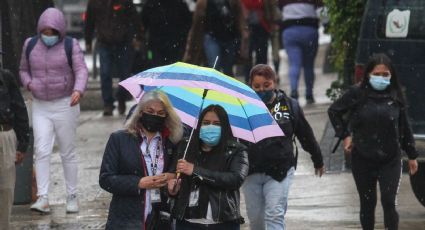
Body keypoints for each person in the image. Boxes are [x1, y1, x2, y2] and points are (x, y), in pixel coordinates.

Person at [328, 53, 419, 230]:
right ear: (368, 74)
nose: (381, 78)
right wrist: (345, 135)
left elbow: (404, 127)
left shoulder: (396, 96)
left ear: (391, 75)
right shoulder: (357, 93)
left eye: (385, 74)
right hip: (362, 157)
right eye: (377, 74)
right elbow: (334, 111)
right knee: (367, 204)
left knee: (389, 201)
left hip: (390, 158)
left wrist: (412, 155)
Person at [19, 8, 88, 213]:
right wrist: (29, 83)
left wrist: (78, 90)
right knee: (41, 150)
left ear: (60, 31)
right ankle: (43, 197)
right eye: (45, 32)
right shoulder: (30, 45)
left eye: (53, 32)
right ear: (40, 29)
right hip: (41, 104)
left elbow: (81, 69)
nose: (48, 36)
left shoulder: (70, 45)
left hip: (65, 103)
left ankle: (72, 196)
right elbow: (23, 69)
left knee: (67, 151)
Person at [243, 64, 324, 230]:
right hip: (251, 171)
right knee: (256, 221)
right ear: (250, 86)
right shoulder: (243, 108)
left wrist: (318, 159)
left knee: (274, 214)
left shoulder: (289, 106)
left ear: (275, 82)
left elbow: (305, 134)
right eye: (256, 86)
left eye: (267, 85)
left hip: (280, 170)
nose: (262, 90)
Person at [99, 90, 184, 229]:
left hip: (160, 220)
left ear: (167, 116)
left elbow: (177, 177)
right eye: (150, 110)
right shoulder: (119, 139)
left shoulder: (172, 143)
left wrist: (172, 183)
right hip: (126, 220)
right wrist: (138, 183)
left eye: (160, 113)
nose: (155, 115)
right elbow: (106, 179)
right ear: (140, 112)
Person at [168, 104, 249, 230]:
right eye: (206, 123)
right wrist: (173, 189)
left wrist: (195, 170)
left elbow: (235, 179)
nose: (210, 126)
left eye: (217, 123)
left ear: (225, 127)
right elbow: (174, 176)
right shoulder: (186, 146)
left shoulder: (236, 150)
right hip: (188, 222)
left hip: (223, 223)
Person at [85, 0, 142, 116]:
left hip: (123, 41)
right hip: (104, 42)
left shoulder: (124, 2)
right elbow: (89, 21)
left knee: (124, 73)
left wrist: (138, 37)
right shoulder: (94, 3)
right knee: (105, 73)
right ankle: (108, 103)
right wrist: (88, 41)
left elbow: (134, 18)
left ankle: (121, 98)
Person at [0, 53, 30, 230]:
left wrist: (23, 144)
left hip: (5, 135)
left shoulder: (6, 77)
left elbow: (20, 110)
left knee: (5, 190)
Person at [183, 0, 249, 76]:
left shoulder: (232, 2)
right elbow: (196, 26)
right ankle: (213, 85)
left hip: (229, 37)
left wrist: (244, 34)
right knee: (214, 65)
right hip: (212, 37)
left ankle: (224, 86)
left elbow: (240, 17)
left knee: (227, 67)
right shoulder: (203, 3)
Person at [279, 0, 323, 103]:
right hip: (310, 30)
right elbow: (322, 9)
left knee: (294, 64)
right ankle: (309, 94)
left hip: (290, 31)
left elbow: (278, 8)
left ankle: (294, 91)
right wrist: (326, 24)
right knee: (309, 65)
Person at [140, 0, 192, 68]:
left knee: (160, 68)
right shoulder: (179, 4)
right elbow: (188, 23)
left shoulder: (151, 4)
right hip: (171, 43)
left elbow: (144, 23)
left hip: (165, 43)